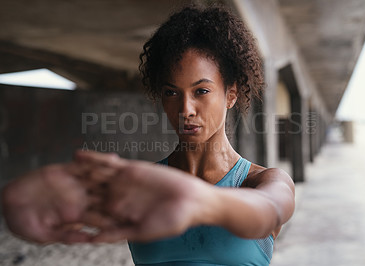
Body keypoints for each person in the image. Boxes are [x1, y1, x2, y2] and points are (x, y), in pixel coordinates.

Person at [1, 5, 295, 266]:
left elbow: (267, 213)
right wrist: (26, 204)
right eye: (171, 93)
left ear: (230, 95)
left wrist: (197, 201)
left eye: (201, 91)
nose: (185, 109)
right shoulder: (141, 187)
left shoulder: (264, 181)